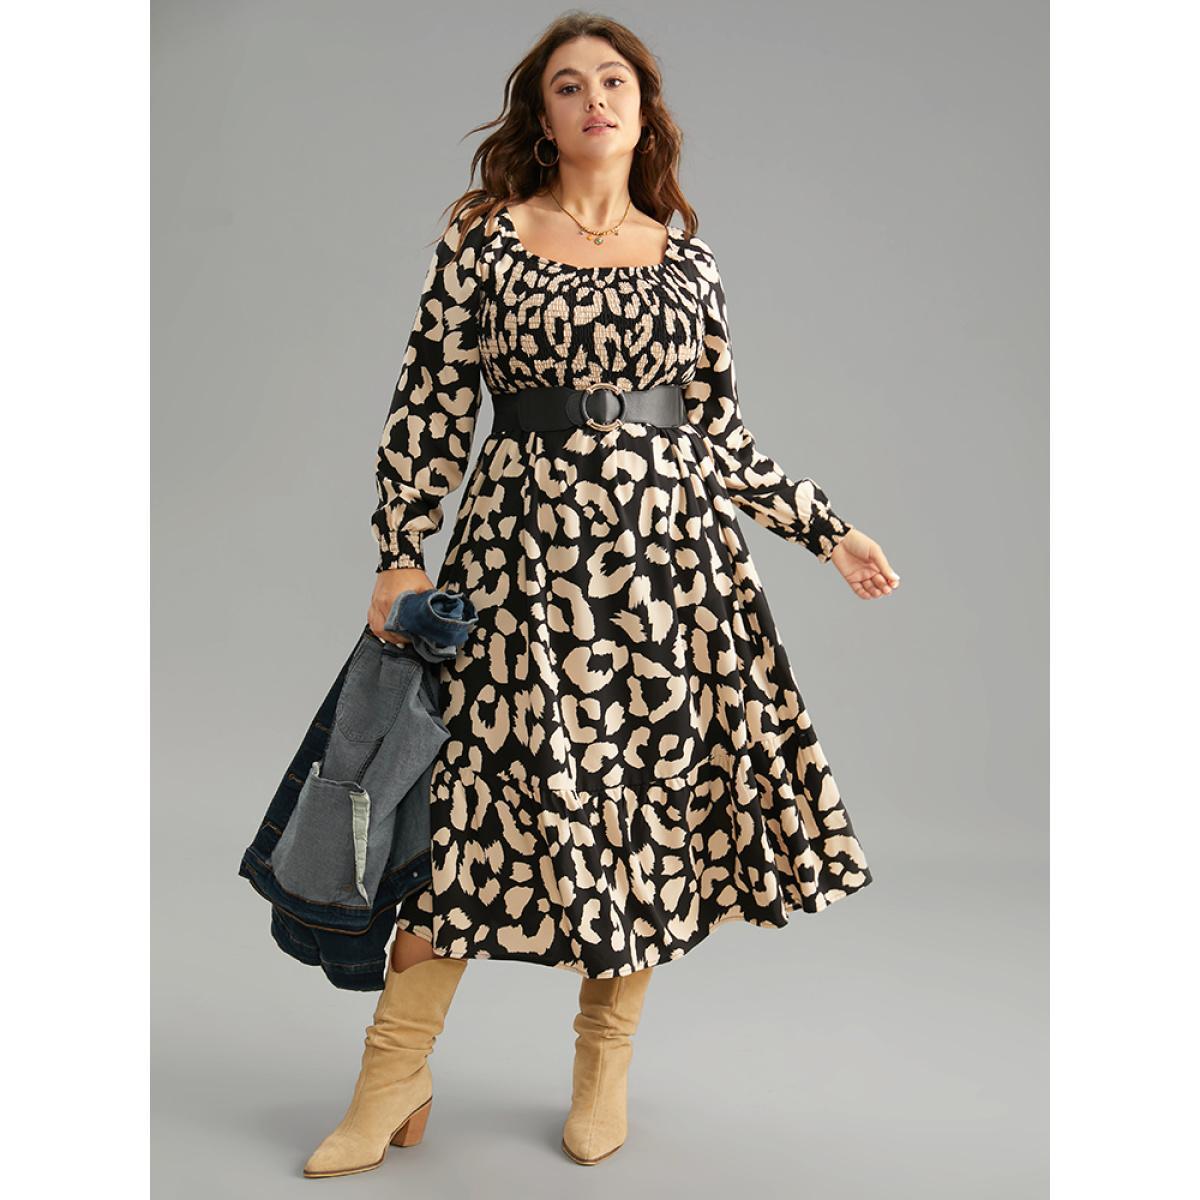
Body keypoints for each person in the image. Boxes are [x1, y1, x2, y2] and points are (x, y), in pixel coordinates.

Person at [302, 12, 900, 1179]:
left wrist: (830, 530)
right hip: (518, 565)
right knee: (458, 816)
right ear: (543, 115)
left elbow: (720, 435)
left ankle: (604, 1066)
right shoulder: (484, 240)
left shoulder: (687, 260)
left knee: (640, 814)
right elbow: (429, 402)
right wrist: (400, 550)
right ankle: (392, 1078)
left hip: (669, 578)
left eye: (612, 81)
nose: (594, 100)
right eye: (569, 85)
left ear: (642, 108)